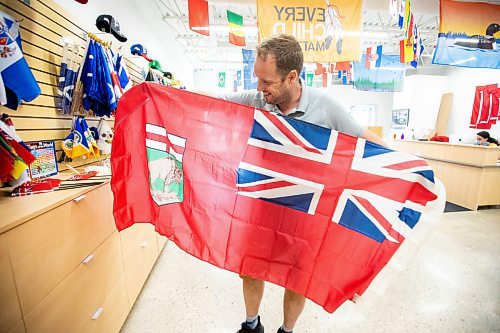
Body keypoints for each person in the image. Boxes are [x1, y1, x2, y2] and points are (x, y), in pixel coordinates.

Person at [219, 34, 385, 333]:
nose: (259, 87)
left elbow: (365, 140)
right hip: (260, 201)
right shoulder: (257, 100)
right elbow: (211, 100)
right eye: (257, 78)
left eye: (266, 81)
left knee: (298, 276)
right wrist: (163, 92)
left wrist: (412, 164)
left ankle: (287, 330)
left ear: (291, 77)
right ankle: (252, 324)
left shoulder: (326, 107)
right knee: (251, 268)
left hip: (304, 208)